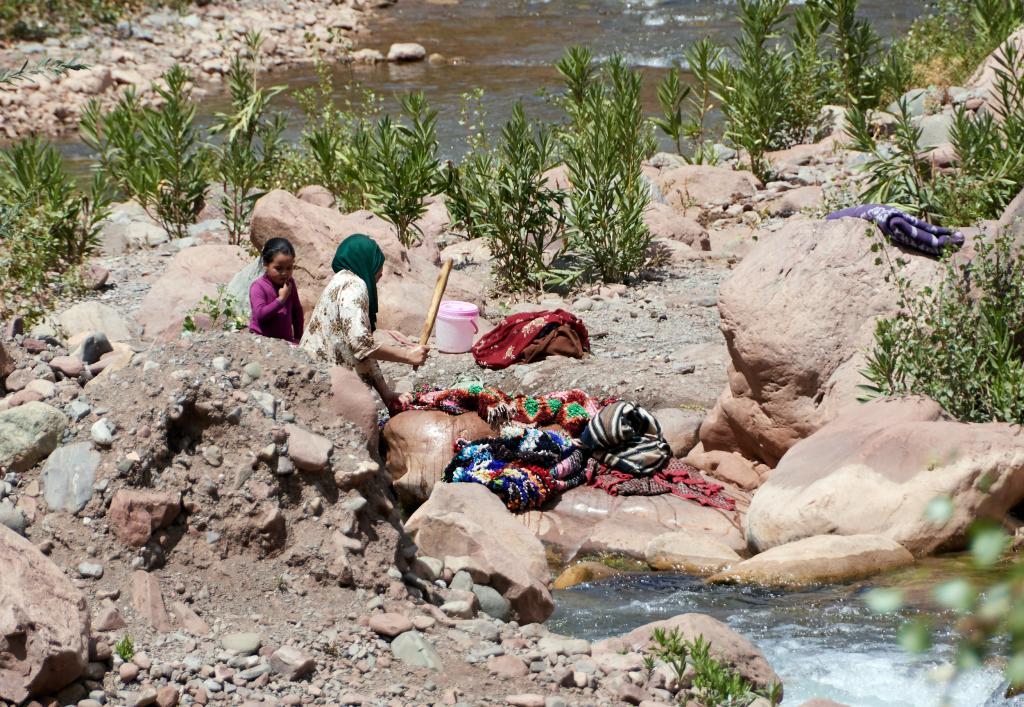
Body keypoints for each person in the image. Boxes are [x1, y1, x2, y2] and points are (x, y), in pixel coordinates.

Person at [301, 233, 429, 410]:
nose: (381, 272)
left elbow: (362, 347)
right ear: (365, 262)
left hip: (312, 373)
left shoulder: (339, 281)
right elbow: (362, 344)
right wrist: (408, 355)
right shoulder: (354, 286)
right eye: (378, 265)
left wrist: (386, 393)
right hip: (322, 383)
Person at [249, 238, 304, 344]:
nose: (284, 273)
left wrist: (298, 338)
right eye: (278, 268)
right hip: (262, 342)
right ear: (266, 264)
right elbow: (261, 315)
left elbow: (297, 312)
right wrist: (281, 300)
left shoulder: (289, 284)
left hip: (285, 342)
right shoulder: (258, 287)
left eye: (289, 268)